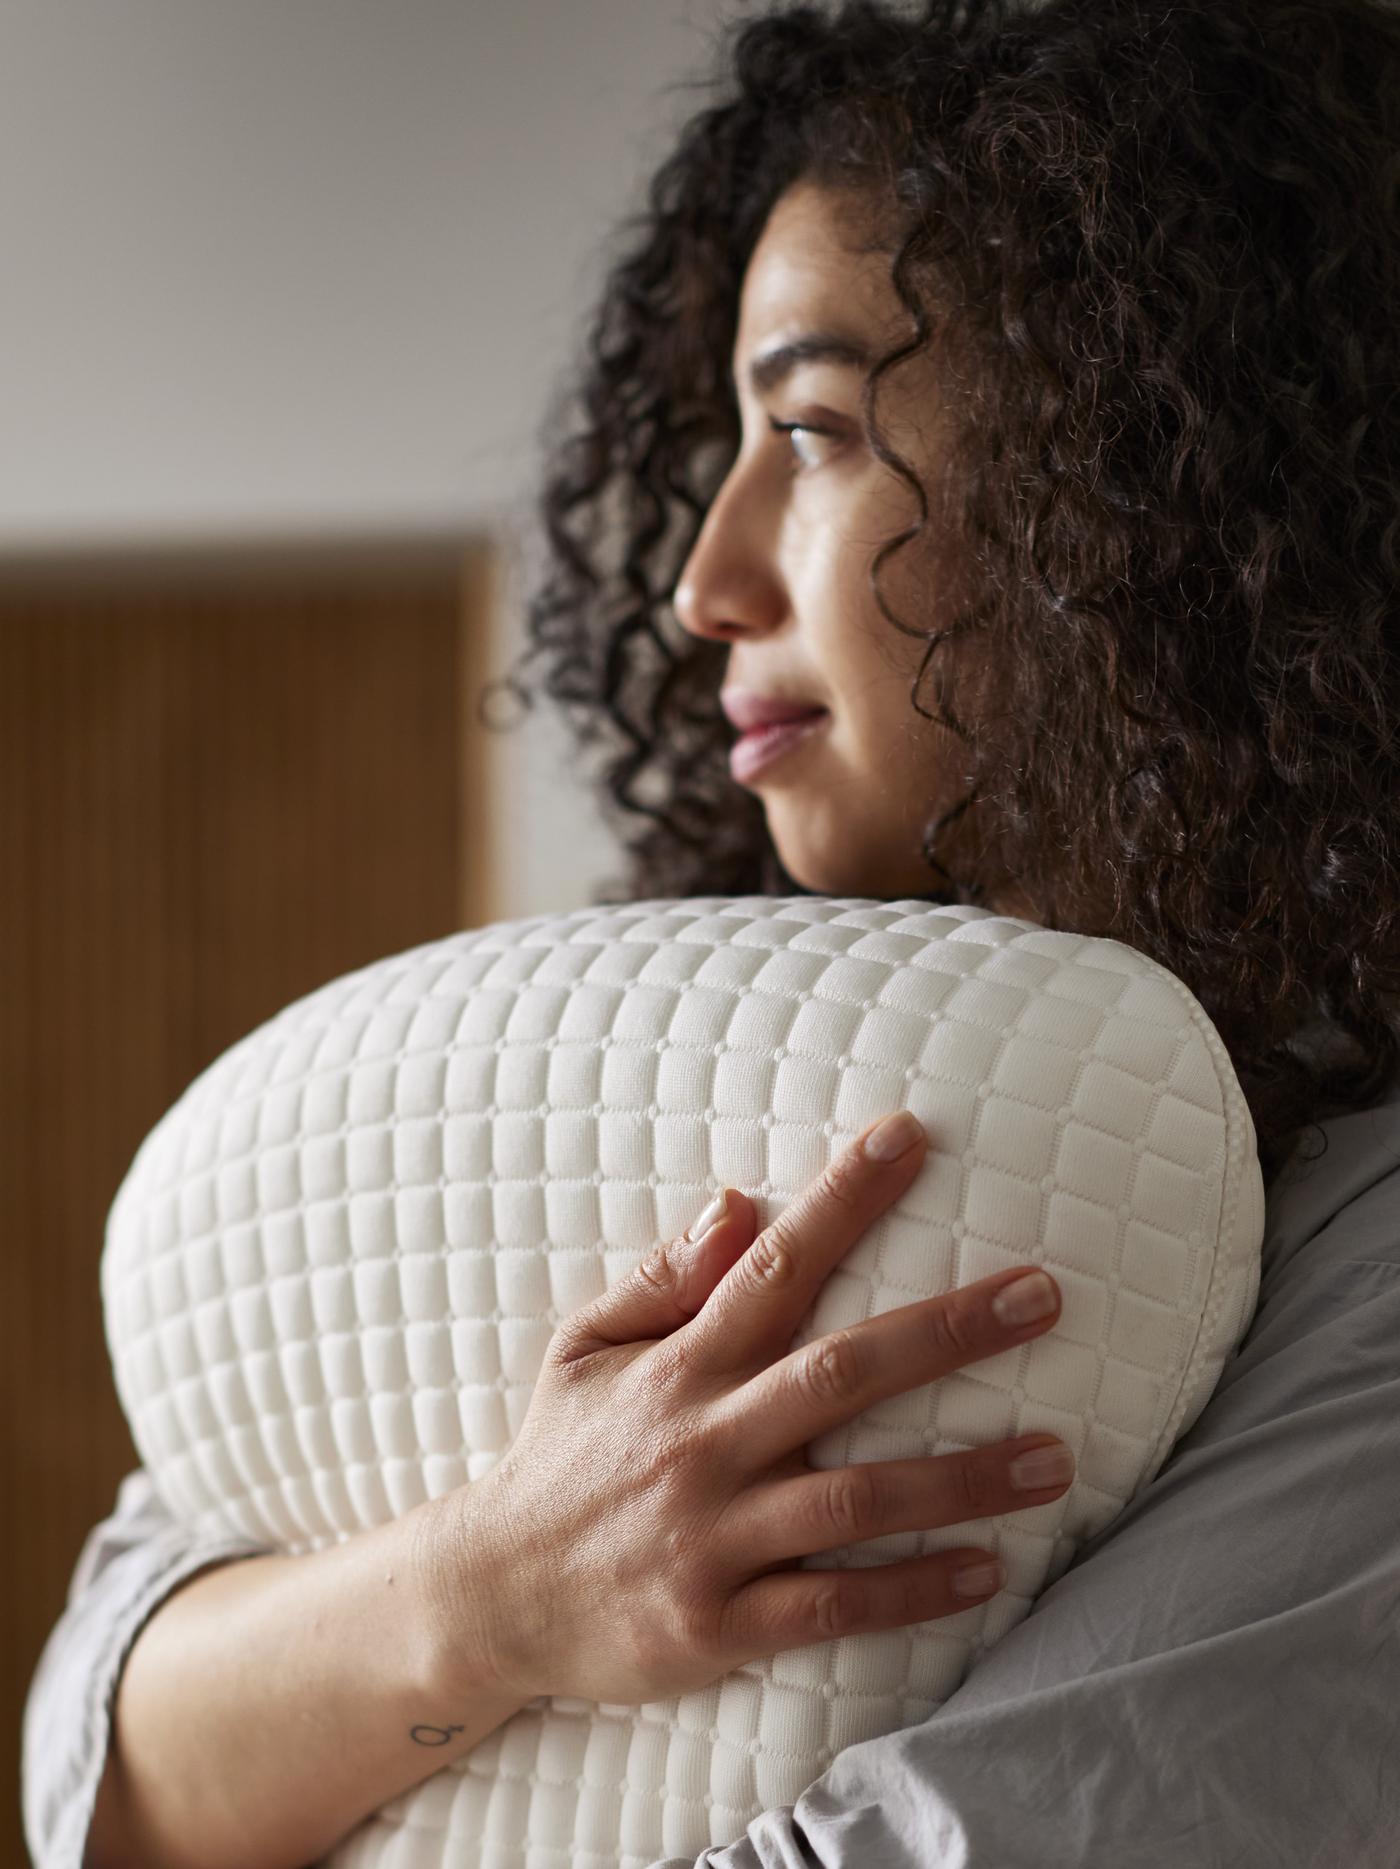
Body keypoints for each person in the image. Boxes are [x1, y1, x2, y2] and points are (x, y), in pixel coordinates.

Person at [23, 0, 1400, 1862]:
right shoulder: (685, 1065)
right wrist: (497, 1589)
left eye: (816, 428)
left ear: (1167, 478)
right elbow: (104, 1770)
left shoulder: (1370, 1266)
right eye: (725, 440)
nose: (704, 576)